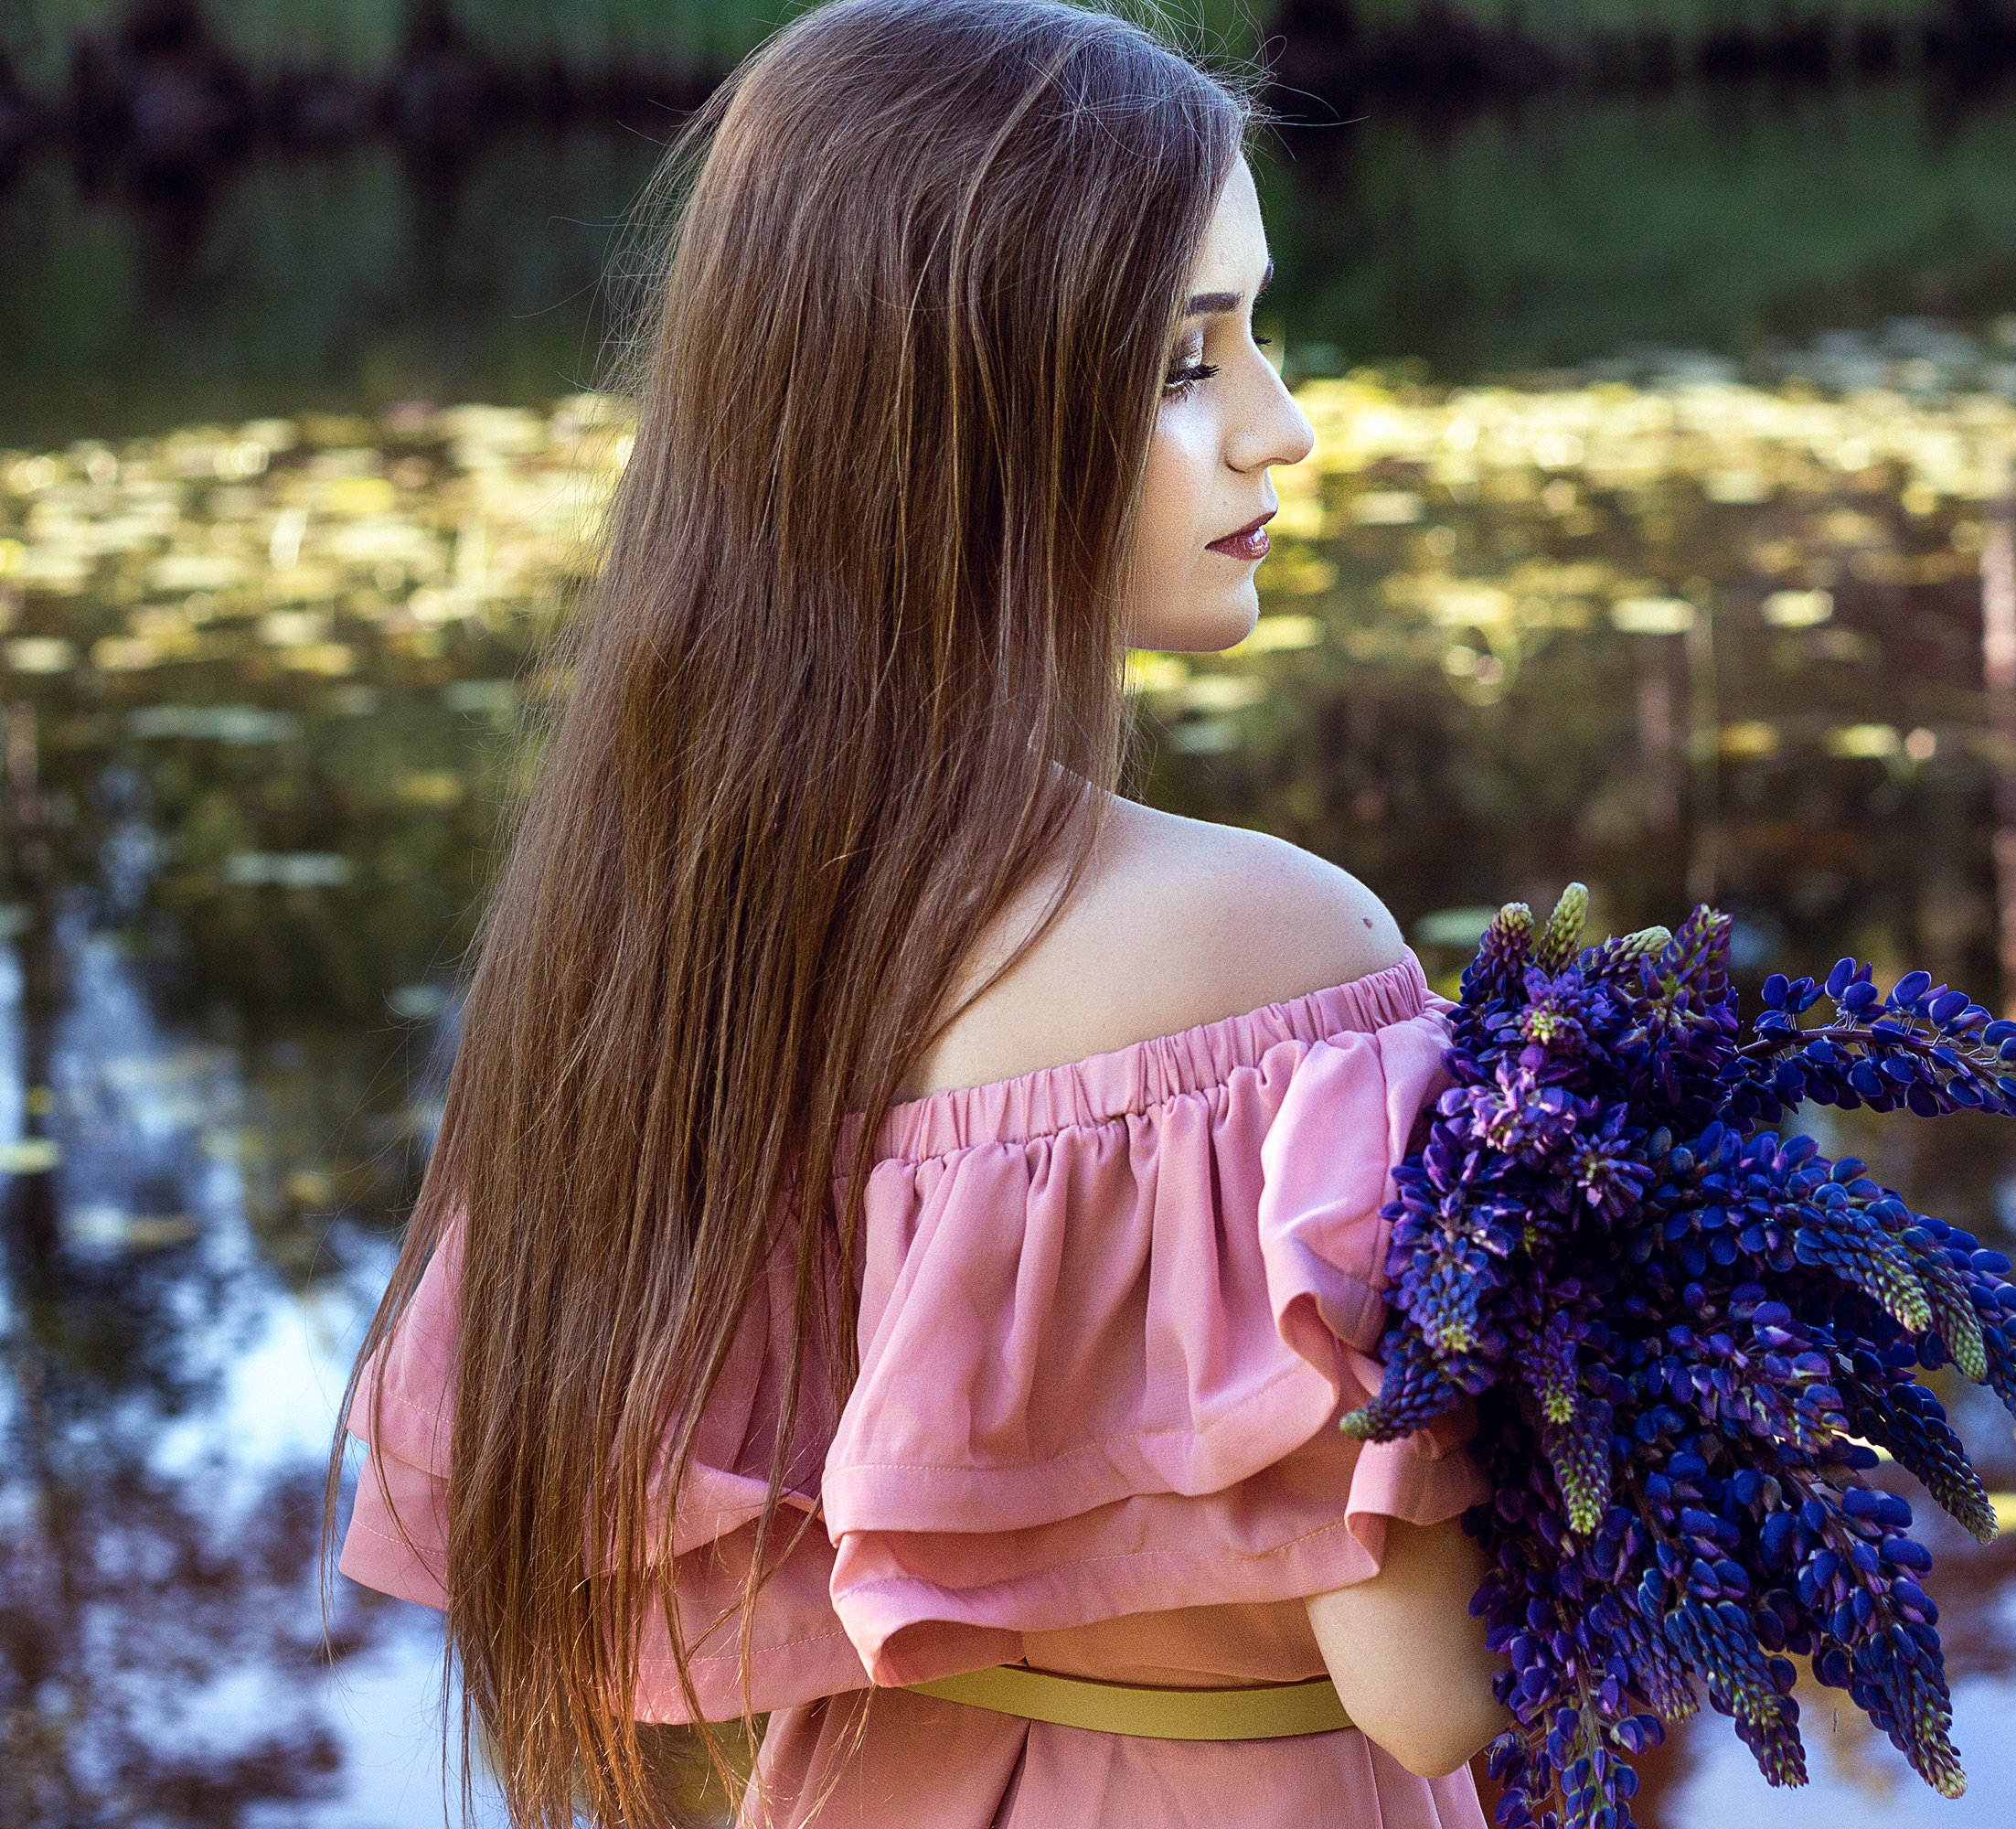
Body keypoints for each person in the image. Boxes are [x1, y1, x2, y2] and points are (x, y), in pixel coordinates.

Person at [318, 4, 1510, 1824]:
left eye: (1257, 339)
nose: (1286, 428)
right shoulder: (1281, 958)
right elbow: (1430, 1687)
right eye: (1188, 366)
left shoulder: (659, 970)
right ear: (956, 411)